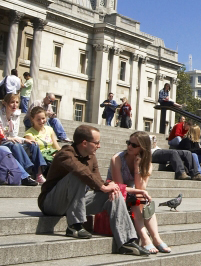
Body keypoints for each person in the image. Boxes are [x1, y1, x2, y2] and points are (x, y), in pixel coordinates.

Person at [39, 125, 149, 256]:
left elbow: (98, 180)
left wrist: (110, 187)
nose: (99, 146)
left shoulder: (91, 157)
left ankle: (127, 242)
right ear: (85, 143)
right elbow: (80, 171)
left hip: (74, 204)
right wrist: (103, 186)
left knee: (114, 192)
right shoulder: (65, 154)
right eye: (96, 142)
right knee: (78, 175)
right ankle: (74, 226)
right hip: (52, 203)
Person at [108, 131, 172, 254]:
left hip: (133, 193)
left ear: (142, 148)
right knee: (138, 197)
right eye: (128, 143)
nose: (129, 147)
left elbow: (141, 186)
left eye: (133, 145)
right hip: (115, 192)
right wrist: (138, 192)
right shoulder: (117, 159)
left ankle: (156, 238)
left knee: (141, 198)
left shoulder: (147, 163)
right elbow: (120, 186)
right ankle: (144, 237)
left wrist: (137, 166)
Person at [0, 93, 44, 185]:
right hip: (3, 143)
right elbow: (3, 136)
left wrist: (25, 140)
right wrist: (9, 138)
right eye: (12, 102)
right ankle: (26, 171)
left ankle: (38, 174)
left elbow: (15, 135)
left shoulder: (16, 115)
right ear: (5, 103)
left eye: (17, 102)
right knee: (15, 144)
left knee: (33, 144)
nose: (15, 105)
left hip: (11, 140)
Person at [23, 106, 62, 175]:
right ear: (32, 119)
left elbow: (56, 147)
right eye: (38, 119)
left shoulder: (49, 129)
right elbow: (35, 152)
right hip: (42, 161)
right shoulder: (29, 134)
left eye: (43, 118)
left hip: (52, 156)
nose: (41, 121)